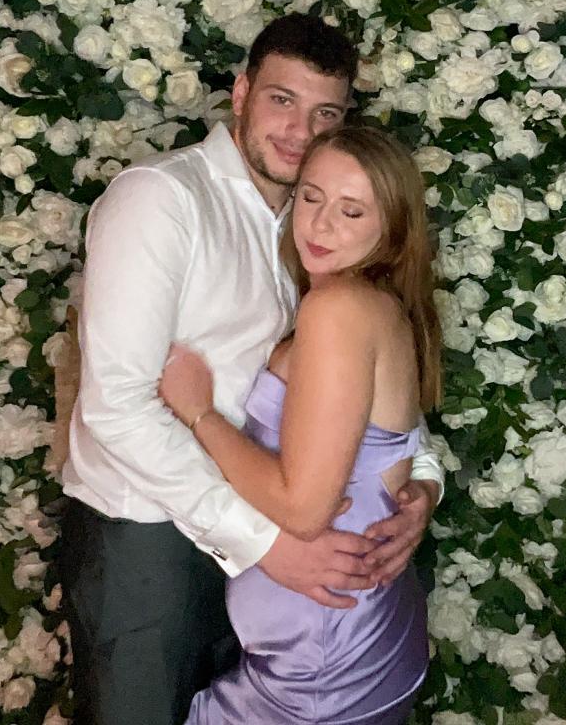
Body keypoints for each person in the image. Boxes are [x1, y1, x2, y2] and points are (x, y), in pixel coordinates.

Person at [58, 14, 444, 725]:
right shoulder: (161, 199)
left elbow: (362, 388)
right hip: (153, 542)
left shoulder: (316, 223)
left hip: (270, 550)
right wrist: (263, 542)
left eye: (325, 112)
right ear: (240, 94)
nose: (301, 129)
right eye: (281, 99)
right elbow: (118, 406)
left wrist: (422, 479)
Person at [160, 125, 441, 725]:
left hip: (321, 661)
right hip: (344, 635)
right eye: (311, 197)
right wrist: (428, 484)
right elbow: (390, 443)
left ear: (391, 228)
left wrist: (199, 413)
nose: (320, 223)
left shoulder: (338, 309)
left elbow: (304, 509)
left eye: (351, 211)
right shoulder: (362, 301)